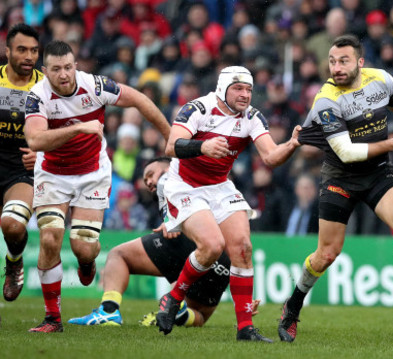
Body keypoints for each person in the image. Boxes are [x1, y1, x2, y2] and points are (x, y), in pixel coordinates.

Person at [277, 34, 393, 343]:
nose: (336, 67)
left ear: (360, 62)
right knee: (326, 254)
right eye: (332, 61)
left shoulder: (381, 81)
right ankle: (293, 305)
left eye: (344, 61)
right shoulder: (326, 99)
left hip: (378, 172)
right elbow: (347, 152)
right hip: (341, 176)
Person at [23, 40, 171, 333]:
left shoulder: (96, 86)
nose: (64, 74)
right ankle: (53, 318)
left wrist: (171, 139)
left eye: (68, 67)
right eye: (56, 69)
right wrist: (79, 126)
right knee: (50, 238)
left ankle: (87, 262)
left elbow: (140, 99)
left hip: (92, 173)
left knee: (85, 249)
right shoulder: (36, 96)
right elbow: (35, 140)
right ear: (45, 71)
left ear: (75, 65)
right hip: (53, 174)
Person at [155, 65, 301, 342]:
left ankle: (245, 328)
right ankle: (174, 297)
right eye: (238, 88)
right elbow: (170, 146)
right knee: (212, 246)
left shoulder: (252, 117)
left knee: (243, 248)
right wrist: (202, 146)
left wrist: (292, 144)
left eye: (248, 89)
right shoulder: (197, 108)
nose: (245, 94)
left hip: (220, 186)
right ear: (222, 89)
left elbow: (270, 157)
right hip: (184, 184)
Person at [67, 157, 260, 327]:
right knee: (199, 316)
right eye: (145, 180)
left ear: (168, 167)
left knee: (119, 255)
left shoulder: (170, 177)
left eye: (151, 174)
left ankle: (109, 311)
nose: (149, 181)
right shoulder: (210, 176)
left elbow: (169, 194)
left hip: (192, 242)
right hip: (225, 262)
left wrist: (170, 222)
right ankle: (182, 314)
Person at [1, 24, 41, 302]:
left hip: (21, 169)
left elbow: (67, 129)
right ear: (7, 52)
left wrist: (44, 153)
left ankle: (14, 260)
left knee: (13, 226)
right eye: (22, 50)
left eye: (34, 51)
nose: (29, 56)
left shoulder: (47, 86)